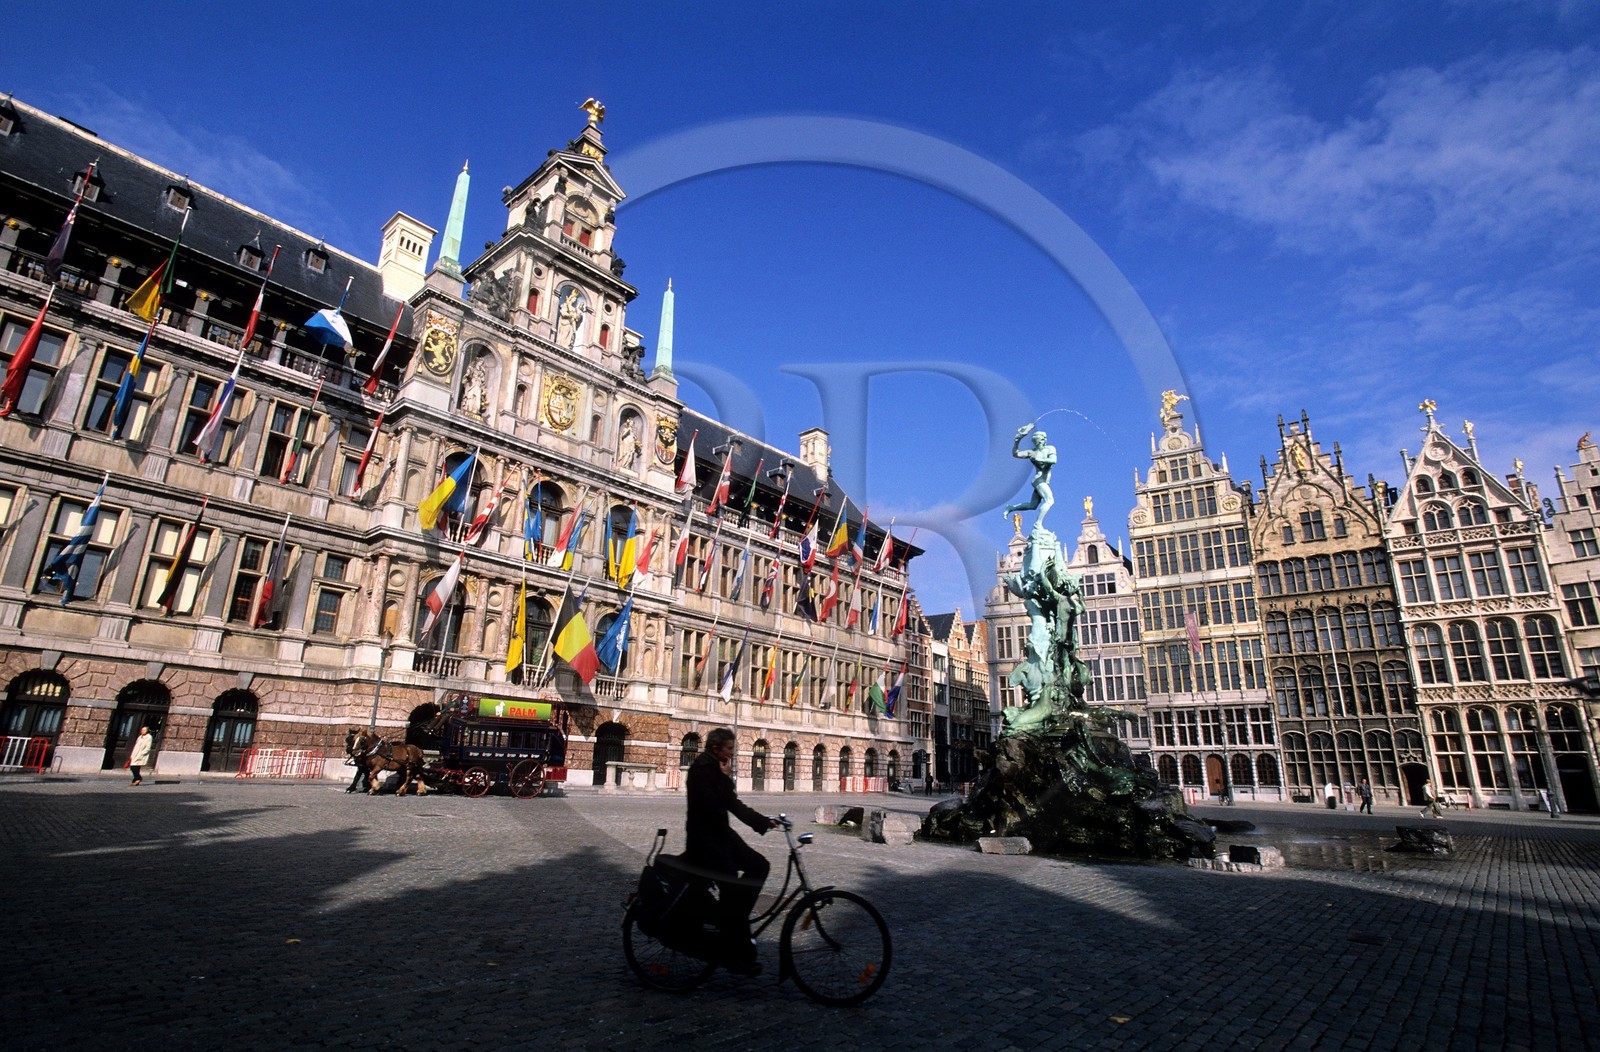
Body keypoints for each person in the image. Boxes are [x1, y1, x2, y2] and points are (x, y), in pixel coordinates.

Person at [685, 727, 778, 975]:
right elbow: (716, 803)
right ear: (716, 748)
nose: (732, 752)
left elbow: (732, 804)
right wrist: (726, 779)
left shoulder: (715, 767)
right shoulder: (701, 769)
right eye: (729, 748)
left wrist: (763, 821)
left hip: (721, 837)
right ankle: (733, 948)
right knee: (733, 890)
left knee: (760, 866)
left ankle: (736, 919)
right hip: (705, 843)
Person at [1003, 425, 1057, 528]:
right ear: (1041, 440)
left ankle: (1011, 508)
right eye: (1042, 439)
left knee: (1033, 506)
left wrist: (1039, 459)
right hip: (1039, 480)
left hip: (1043, 481)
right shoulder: (1031, 452)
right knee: (1050, 500)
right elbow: (1015, 454)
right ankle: (1038, 524)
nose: (1043, 441)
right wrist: (1017, 441)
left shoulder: (1050, 449)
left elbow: (1053, 460)